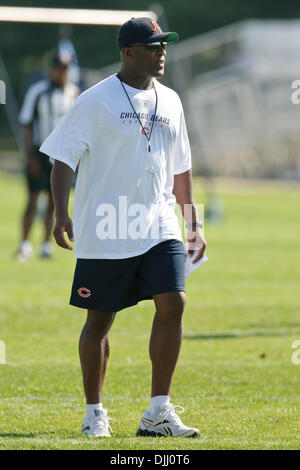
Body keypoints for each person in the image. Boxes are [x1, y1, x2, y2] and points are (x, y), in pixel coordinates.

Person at [40, 17, 207, 438]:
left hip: (158, 223)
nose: (162, 52)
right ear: (127, 52)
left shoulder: (172, 101)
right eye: (153, 46)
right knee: (100, 320)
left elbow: (181, 169)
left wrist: (193, 222)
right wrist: (61, 213)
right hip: (106, 227)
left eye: (164, 45)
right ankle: (94, 412)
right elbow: (62, 160)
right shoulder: (93, 100)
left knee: (174, 304)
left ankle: (158, 413)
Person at [16, 51, 79, 261]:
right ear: (51, 69)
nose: (62, 73)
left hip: (61, 155)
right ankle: (24, 243)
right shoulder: (38, 92)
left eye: (65, 69)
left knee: (55, 200)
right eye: (58, 68)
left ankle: (46, 245)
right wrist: (30, 156)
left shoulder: (73, 93)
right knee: (33, 197)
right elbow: (26, 124)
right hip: (40, 152)